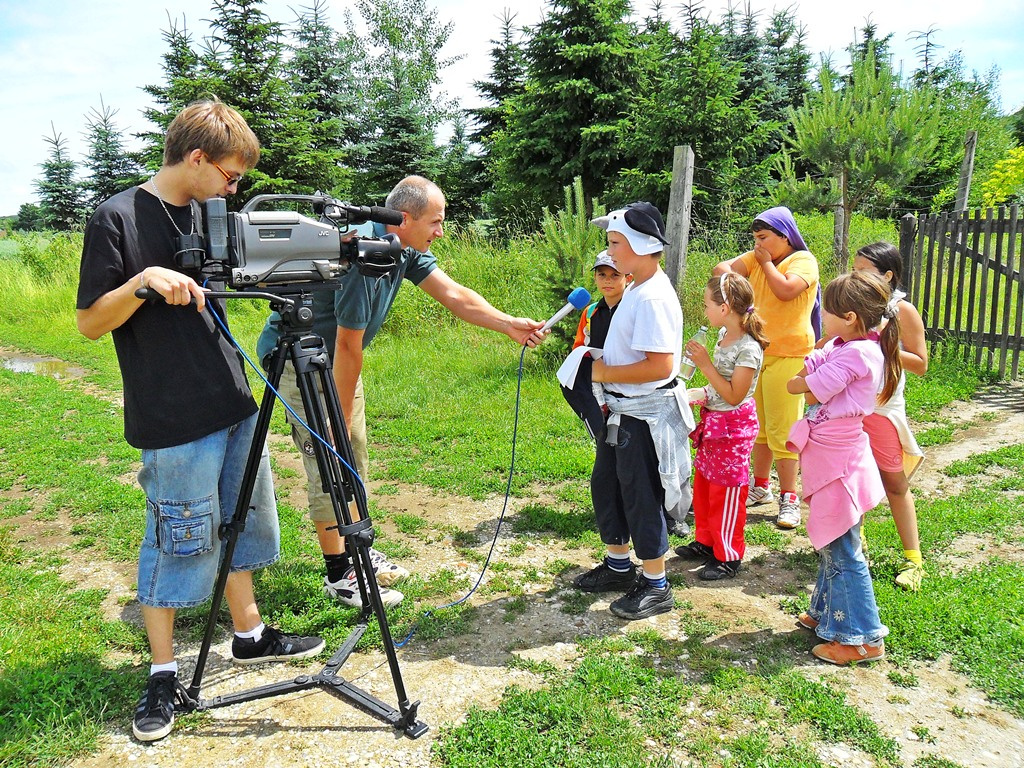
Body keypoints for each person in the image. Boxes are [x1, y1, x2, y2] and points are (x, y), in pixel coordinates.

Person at [76, 100, 324, 743]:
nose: (235, 190)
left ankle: (250, 633)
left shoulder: (212, 216)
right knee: (176, 535)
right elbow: (90, 322)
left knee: (239, 520)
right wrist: (143, 281)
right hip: (171, 410)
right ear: (196, 159)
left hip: (233, 396)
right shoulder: (117, 217)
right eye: (231, 176)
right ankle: (162, 672)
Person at [257, 175, 546, 608]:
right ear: (404, 218)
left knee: (352, 449)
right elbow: (348, 346)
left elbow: (452, 294)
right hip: (301, 360)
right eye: (436, 221)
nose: (441, 232)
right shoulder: (361, 258)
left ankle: (357, 548)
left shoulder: (401, 248)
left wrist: (506, 323)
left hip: (333, 360)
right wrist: (333, 419)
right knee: (331, 459)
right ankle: (340, 576)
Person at [571, 201, 694, 620]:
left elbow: (661, 365)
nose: (610, 252)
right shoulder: (638, 289)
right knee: (608, 485)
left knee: (641, 494)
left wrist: (602, 369)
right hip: (620, 411)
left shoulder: (654, 297)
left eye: (615, 243)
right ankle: (619, 564)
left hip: (643, 415)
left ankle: (657, 585)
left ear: (641, 245)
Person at [786, 270, 897, 665]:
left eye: (827, 312)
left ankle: (862, 638)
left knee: (843, 548)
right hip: (835, 455)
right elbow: (815, 360)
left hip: (839, 464)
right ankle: (825, 613)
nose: (822, 318)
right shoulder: (850, 345)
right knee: (833, 542)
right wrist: (811, 364)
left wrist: (803, 377)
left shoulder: (855, 353)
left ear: (849, 316)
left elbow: (804, 385)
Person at [714, 206, 819, 530]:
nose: (758, 244)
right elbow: (721, 271)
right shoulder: (758, 256)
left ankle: (790, 497)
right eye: (755, 239)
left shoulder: (802, 261)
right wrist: (734, 272)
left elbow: (786, 290)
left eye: (764, 238)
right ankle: (761, 487)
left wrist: (764, 263)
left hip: (789, 355)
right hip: (758, 352)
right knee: (758, 425)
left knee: (783, 429)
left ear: (784, 236)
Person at [676, 273, 767, 580]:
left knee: (726, 491)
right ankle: (706, 541)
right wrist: (700, 393)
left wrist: (704, 366)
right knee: (704, 484)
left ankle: (728, 555)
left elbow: (734, 394)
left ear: (725, 307)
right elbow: (720, 389)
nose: (704, 311)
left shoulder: (748, 349)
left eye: (707, 305)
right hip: (716, 423)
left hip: (734, 429)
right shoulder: (723, 338)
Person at [853, 242, 928, 590]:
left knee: (894, 483)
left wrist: (883, 343)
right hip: (851, 407)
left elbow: (921, 364)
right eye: (854, 269)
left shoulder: (902, 310)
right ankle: (856, 545)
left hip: (883, 409)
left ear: (887, 275)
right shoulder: (854, 303)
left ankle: (914, 559)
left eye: (864, 270)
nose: (857, 276)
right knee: (852, 478)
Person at [560, 249, 629, 439]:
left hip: (625, 380)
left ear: (627, 277)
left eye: (615, 275)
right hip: (598, 381)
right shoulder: (590, 312)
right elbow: (579, 347)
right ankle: (597, 425)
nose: (608, 280)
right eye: (602, 275)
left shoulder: (631, 309)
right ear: (595, 277)